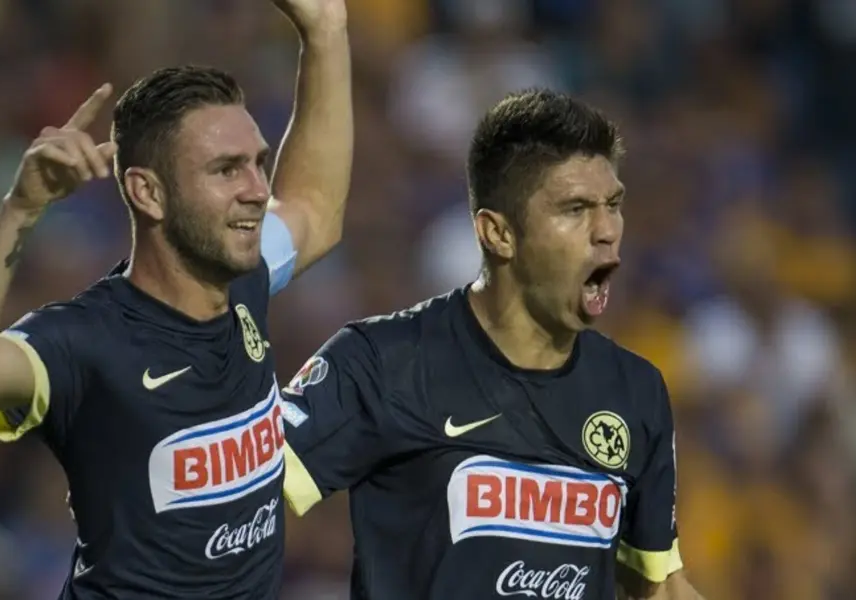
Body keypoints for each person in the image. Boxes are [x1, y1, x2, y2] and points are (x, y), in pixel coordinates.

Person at [0, 0, 352, 597]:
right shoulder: (86, 341)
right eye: (226, 170)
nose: (256, 190)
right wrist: (21, 210)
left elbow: (316, 213)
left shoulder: (240, 281)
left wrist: (324, 32)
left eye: (257, 164)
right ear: (149, 193)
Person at [280, 89, 705, 599]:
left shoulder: (636, 391)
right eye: (575, 209)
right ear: (497, 233)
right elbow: (236, 502)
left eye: (612, 205)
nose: (607, 230)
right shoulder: (381, 362)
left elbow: (657, 586)